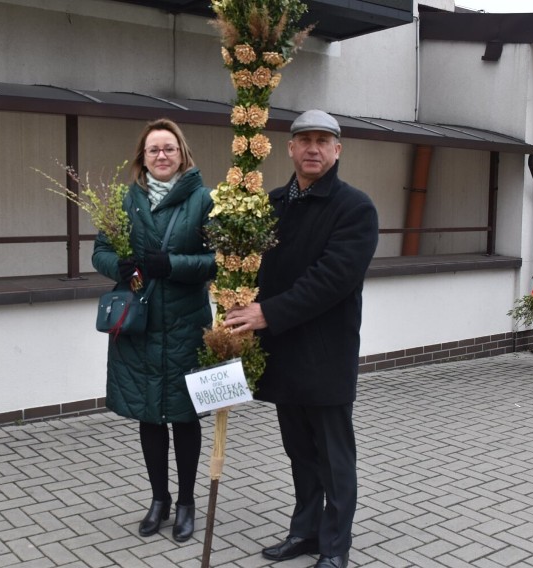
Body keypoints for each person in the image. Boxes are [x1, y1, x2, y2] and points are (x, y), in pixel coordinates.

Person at [223, 110, 378, 568]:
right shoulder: (271, 204)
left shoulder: (355, 207)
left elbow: (332, 279)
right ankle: (305, 532)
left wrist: (266, 312)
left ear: (337, 150)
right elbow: (256, 270)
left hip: (326, 356)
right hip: (284, 353)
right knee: (300, 453)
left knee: (333, 458)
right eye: (304, 140)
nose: (312, 148)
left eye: (322, 141)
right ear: (289, 149)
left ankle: (335, 547)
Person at [92, 118, 216, 542]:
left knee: (183, 416)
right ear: (142, 158)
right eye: (153, 150)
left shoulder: (204, 200)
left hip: (185, 326)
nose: (161, 156)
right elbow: (101, 251)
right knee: (149, 415)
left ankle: (185, 503)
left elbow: (220, 260)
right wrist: (118, 266)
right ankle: (158, 499)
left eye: (168, 148)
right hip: (140, 326)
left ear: (182, 153)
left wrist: (174, 266)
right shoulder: (126, 201)